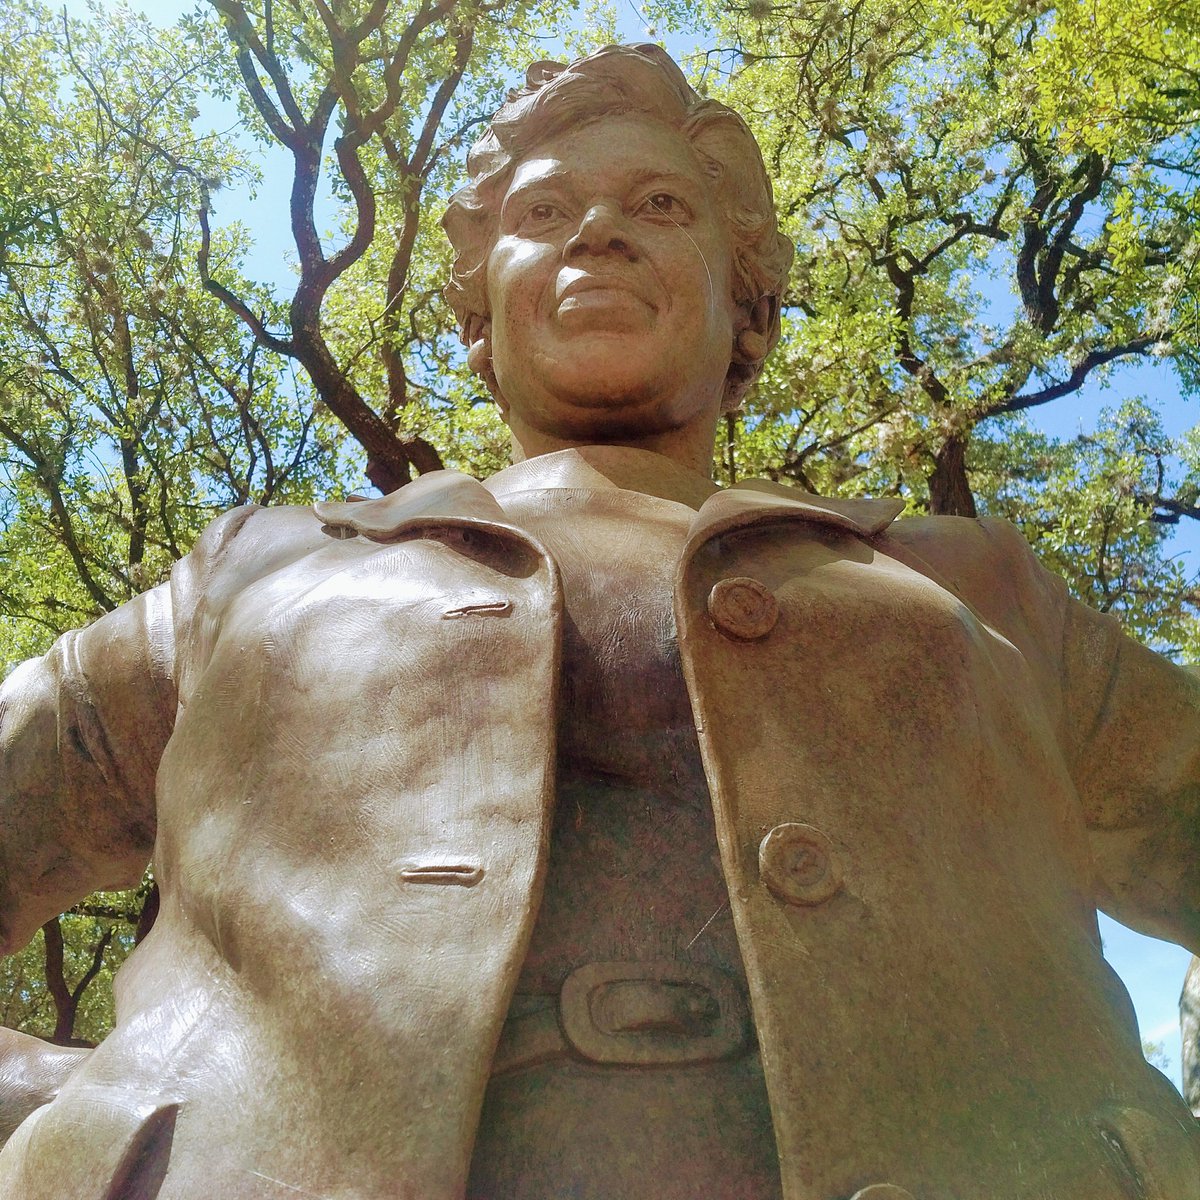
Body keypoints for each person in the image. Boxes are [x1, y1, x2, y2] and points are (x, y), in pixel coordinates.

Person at [0, 42, 1198, 1200]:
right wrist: (89, 1125)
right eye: (542, 211)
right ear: (483, 319)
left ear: (751, 310)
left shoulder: (971, 583)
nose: (596, 230)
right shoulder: (256, 571)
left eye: (663, 204)